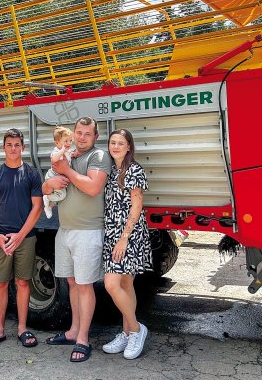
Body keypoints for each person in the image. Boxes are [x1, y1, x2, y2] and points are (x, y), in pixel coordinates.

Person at [42, 116, 112, 362]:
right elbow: (45, 188)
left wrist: (66, 171)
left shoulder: (99, 157)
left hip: (87, 231)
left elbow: (93, 188)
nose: (81, 137)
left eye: (87, 134)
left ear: (95, 137)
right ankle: (72, 331)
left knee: (84, 285)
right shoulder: (67, 155)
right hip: (65, 230)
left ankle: (83, 339)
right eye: (78, 133)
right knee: (71, 283)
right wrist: (49, 182)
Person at [0, 128, 43, 349]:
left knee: (23, 282)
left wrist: (20, 236)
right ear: (4, 147)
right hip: (1, 238)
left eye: (17, 145)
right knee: (0, 283)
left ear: (23, 147)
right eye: (9, 145)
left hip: (25, 238)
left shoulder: (32, 174)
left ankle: (22, 328)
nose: (13, 149)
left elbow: (38, 207)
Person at [102, 129, 152, 360]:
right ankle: (126, 332)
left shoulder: (134, 170)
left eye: (120, 143)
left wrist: (124, 237)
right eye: (112, 142)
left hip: (128, 234)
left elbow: (137, 205)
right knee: (125, 283)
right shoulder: (113, 171)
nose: (115, 146)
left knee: (111, 284)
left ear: (129, 147)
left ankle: (135, 329)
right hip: (113, 231)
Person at [43, 126, 74, 218]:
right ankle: (47, 197)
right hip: (53, 176)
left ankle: (49, 206)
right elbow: (54, 159)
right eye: (66, 141)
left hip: (60, 177)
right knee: (61, 195)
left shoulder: (66, 151)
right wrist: (62, 151)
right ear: (57, 142)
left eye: (70, 141)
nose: (69, 143)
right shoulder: (57, 151)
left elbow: (69, 156)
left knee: (58, 198)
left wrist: (72, 153)